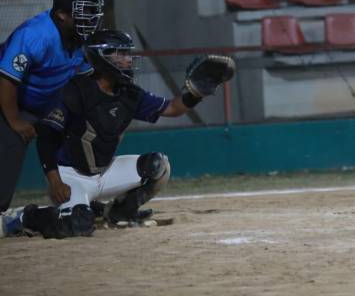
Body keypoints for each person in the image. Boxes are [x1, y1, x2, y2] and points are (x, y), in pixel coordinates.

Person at [1, 29, 235, 239]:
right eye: (121, 54)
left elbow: (173, 108)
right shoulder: (75, 90)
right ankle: (25, 217)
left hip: (104, 172)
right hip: (70, 176)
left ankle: (119, 213)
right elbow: (47, 136)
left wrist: (195, 93)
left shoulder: (129, 93)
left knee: (158, 165)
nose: (128, 59)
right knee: (78, 226)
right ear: (102, 57)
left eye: (128, 54)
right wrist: (54, 181)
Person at [0, 0, 104, 212]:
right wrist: (15, 120)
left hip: (44, 103)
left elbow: (86, 82)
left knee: (86, 130)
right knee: (12, 143)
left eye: (92, 11)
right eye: (84, 12)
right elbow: (6, 80)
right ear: (62, 15)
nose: (91, 18)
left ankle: (82, 194)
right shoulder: (34, 35)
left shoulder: (80, 38)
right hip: (9, 98)